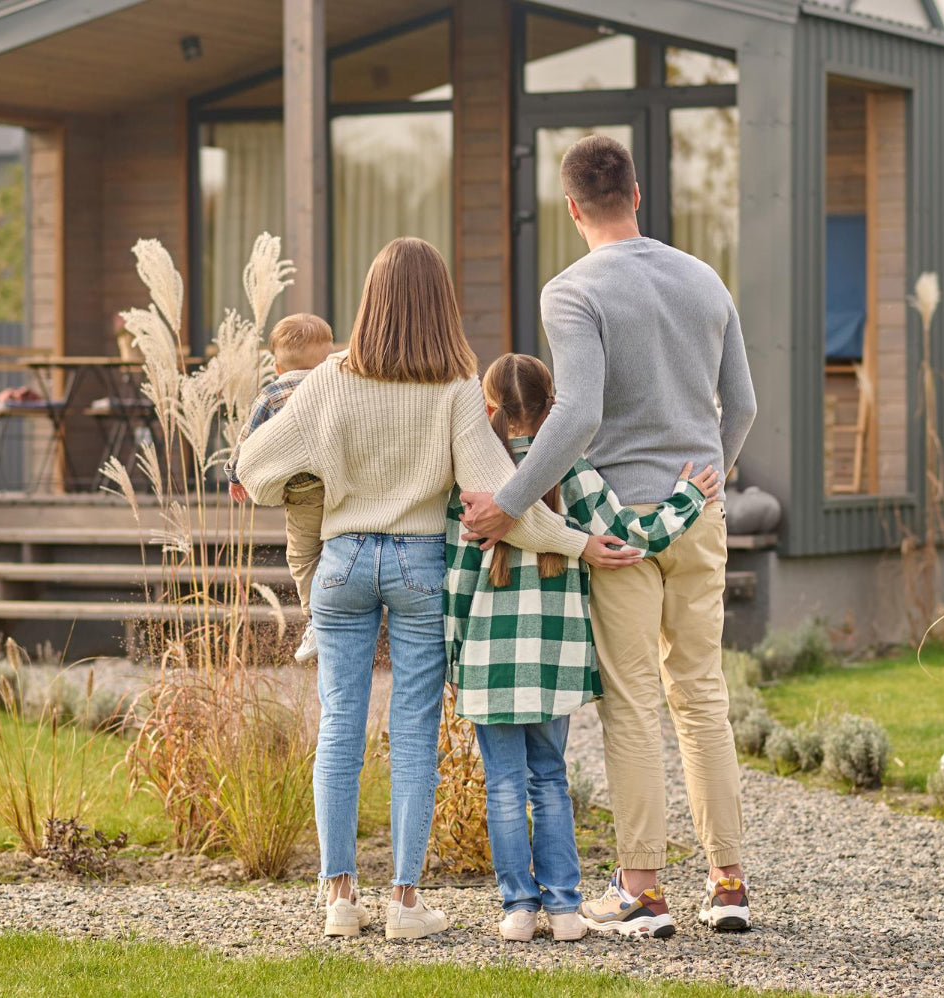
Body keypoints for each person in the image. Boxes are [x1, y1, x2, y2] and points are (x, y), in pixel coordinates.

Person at [233, 237, 640, 941]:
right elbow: (501, 504)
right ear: (440, 305)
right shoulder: (455, 390)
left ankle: (338, 898)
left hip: (342, 561)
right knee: (414, 734)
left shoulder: (328, 379)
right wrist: (579, 543)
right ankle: (403, 904)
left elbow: (253, 466)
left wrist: (314, 484)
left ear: (369, 301)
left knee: (338, 727)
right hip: (420, 567)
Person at [460, 134, 759, 936]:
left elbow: (579, 412)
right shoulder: (704, 279)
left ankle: (644, 892)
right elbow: (746, 403)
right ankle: (728, 883)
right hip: (697, 513)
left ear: (570, 209)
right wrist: (707, 485)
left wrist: (509, 501)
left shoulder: (571, 290)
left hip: (617, 528)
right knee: (702, 697)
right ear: (636, 194)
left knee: (632, 705)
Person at [446, 353, 720, 943]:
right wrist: (687, 498)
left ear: (487, 409)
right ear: (555, 411)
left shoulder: (473, 477)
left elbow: (457, 576)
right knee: (549, 777)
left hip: (490, 663)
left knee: (502, 785)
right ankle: (567, 909)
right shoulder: (571, 469)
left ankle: (519, 909)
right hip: (557, 658)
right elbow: (628, 536)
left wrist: (455, 654)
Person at [226, 312, 335, 664]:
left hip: (303, 494)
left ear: (276, 366)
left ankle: (317, 618)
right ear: (328, 357)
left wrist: (234, 474)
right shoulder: (337, 386)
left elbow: (247, 441)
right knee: (337, 549)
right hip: (343, 486)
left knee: (303, 556)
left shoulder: (272, 395)